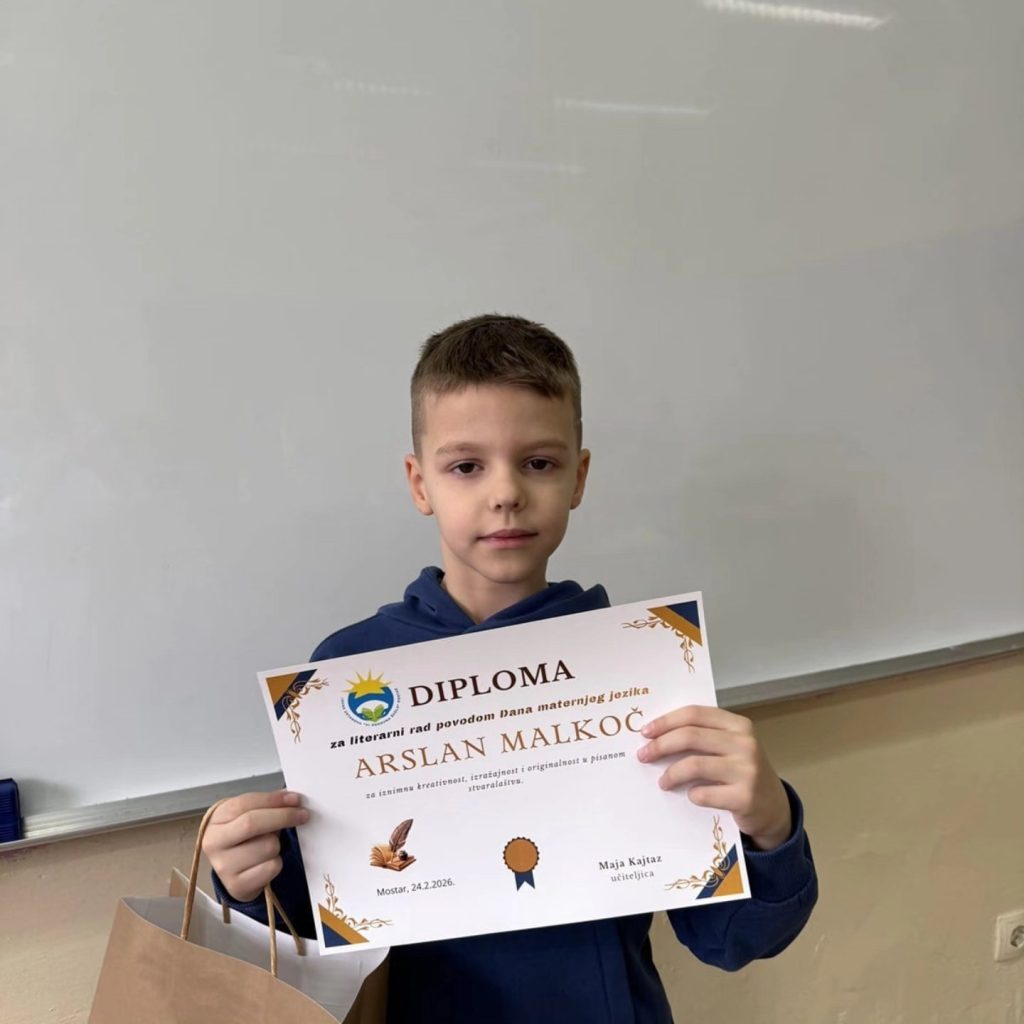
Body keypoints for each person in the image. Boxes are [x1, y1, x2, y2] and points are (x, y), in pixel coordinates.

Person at [204, 314, 817, 1023]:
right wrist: (247, 885)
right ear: (420, 483)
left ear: (579, 476)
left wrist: (769, 825)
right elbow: (317, 942)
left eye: (538, 463)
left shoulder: (640, 671)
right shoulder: (345, 673)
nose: (505, 493)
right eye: (466, 466)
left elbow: (733, 939)